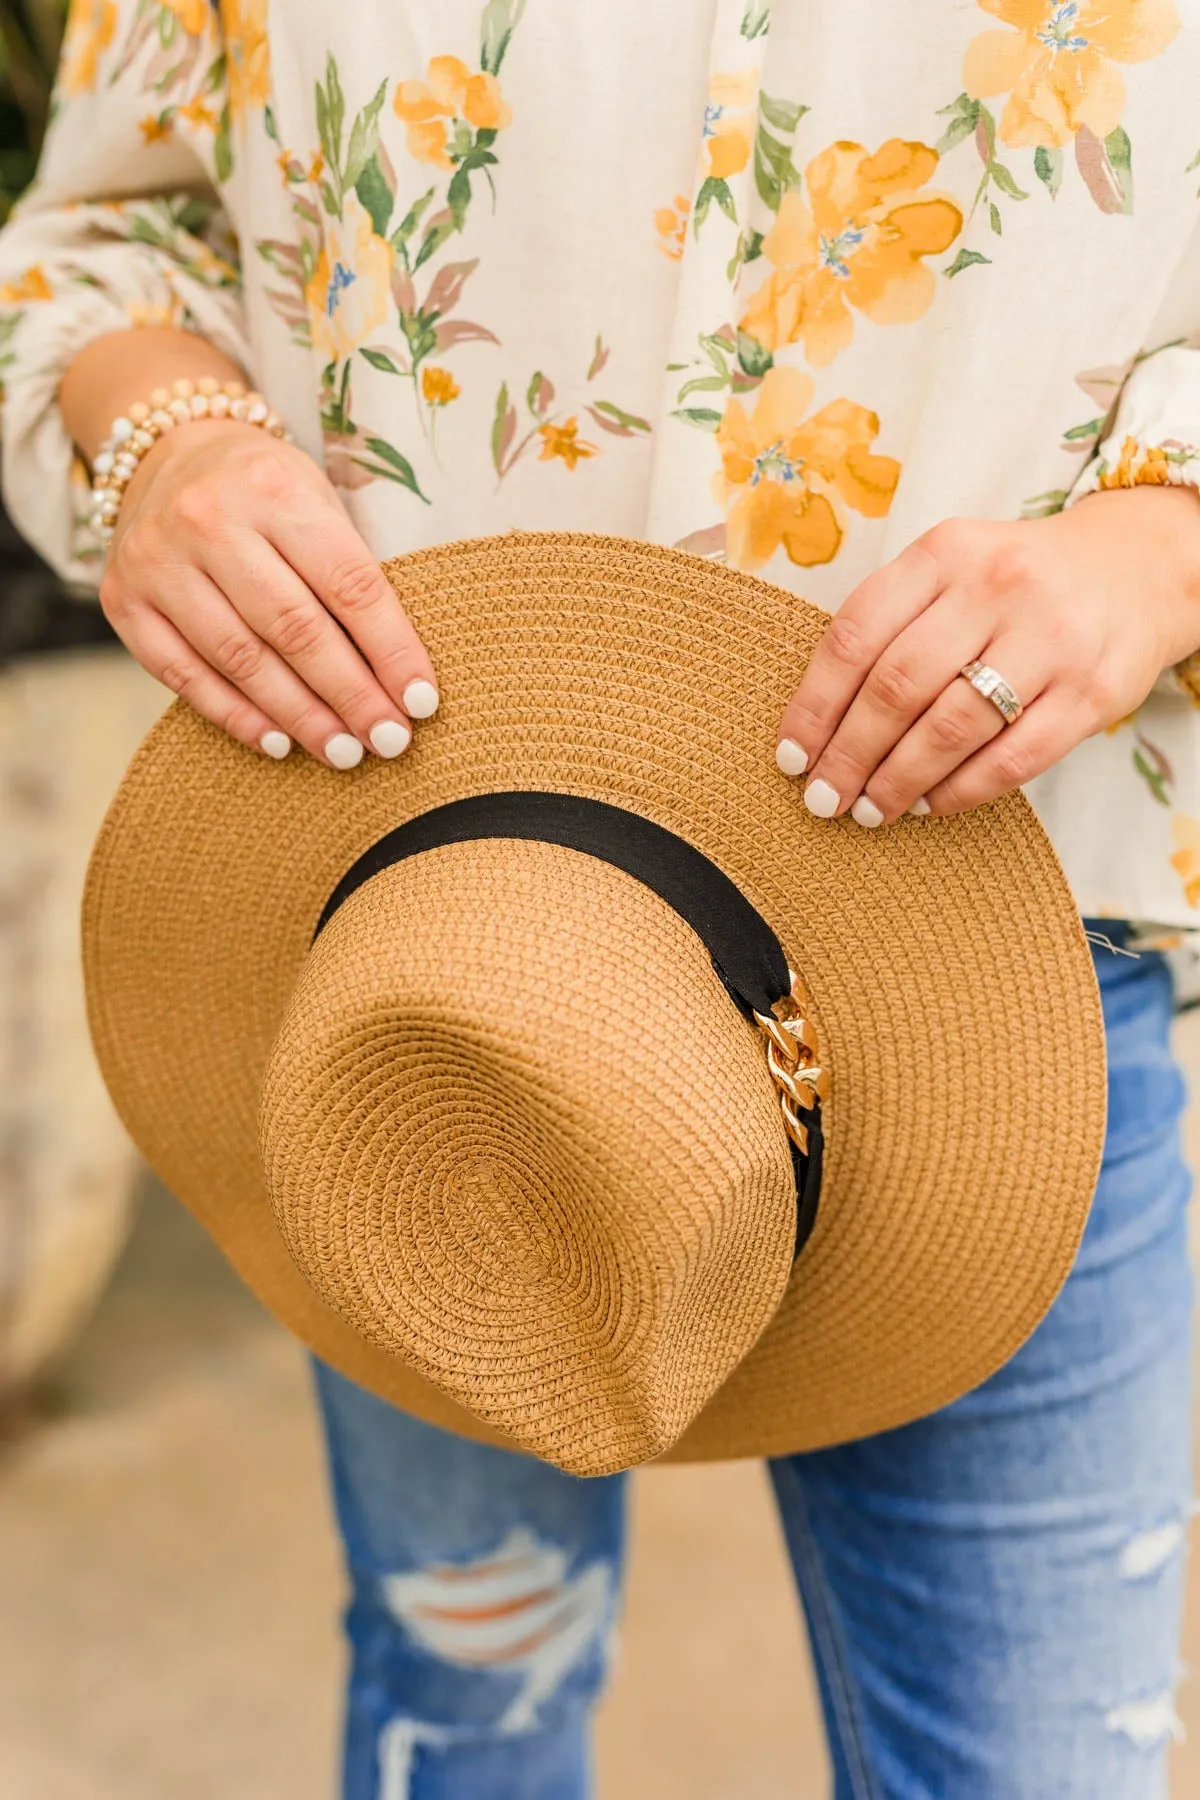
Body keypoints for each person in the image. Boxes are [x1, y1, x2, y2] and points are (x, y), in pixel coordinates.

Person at [0, 1, 1196, 1794]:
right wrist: (168, 447)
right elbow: (108, 234)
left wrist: (1165, 547)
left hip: (1007, 961)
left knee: (1039, 1765)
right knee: (456, 1703)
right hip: (419, 965)